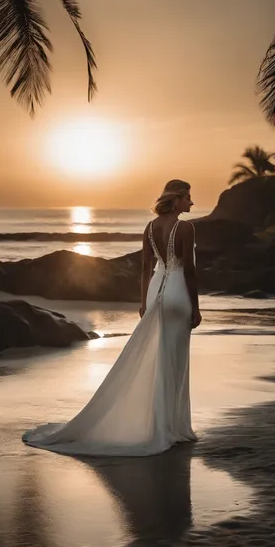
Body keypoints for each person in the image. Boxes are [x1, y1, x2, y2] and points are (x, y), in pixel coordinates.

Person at [22, 179, 199, 457]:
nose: (192, 202)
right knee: (176, 360)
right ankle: (174, 429)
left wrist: (143, 303)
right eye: (188, 197)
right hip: (177, 292)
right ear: (176, 200)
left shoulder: (150, 227)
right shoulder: (186, 227)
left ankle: (163, 426)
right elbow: (188, 270)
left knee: (161, 358)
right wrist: (196, 306)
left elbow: (144, 269)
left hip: (155, 291)